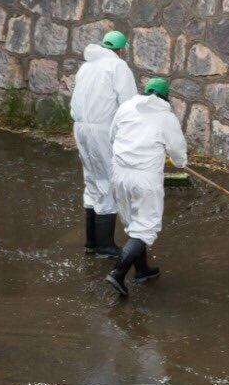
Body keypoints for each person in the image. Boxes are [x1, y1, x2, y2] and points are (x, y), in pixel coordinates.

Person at [105, 78, 187, 297]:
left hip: (119, 173)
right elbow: (178, 150)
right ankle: (118, 273)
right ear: (165, 96)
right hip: (145, 178)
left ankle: (142, 270)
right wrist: (180, 162)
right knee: (146, 226)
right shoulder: (166, 117)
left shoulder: (126, 107)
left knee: (133, 222)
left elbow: (112, 136)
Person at [70, 30, 137, 257]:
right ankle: (105, 246)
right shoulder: (118, 67)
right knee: (107, 181)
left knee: (91, 180)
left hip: (80, 127)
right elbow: (129, 105)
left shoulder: (86, 67)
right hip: (102, 130)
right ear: (120, 49)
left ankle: (91, 243)